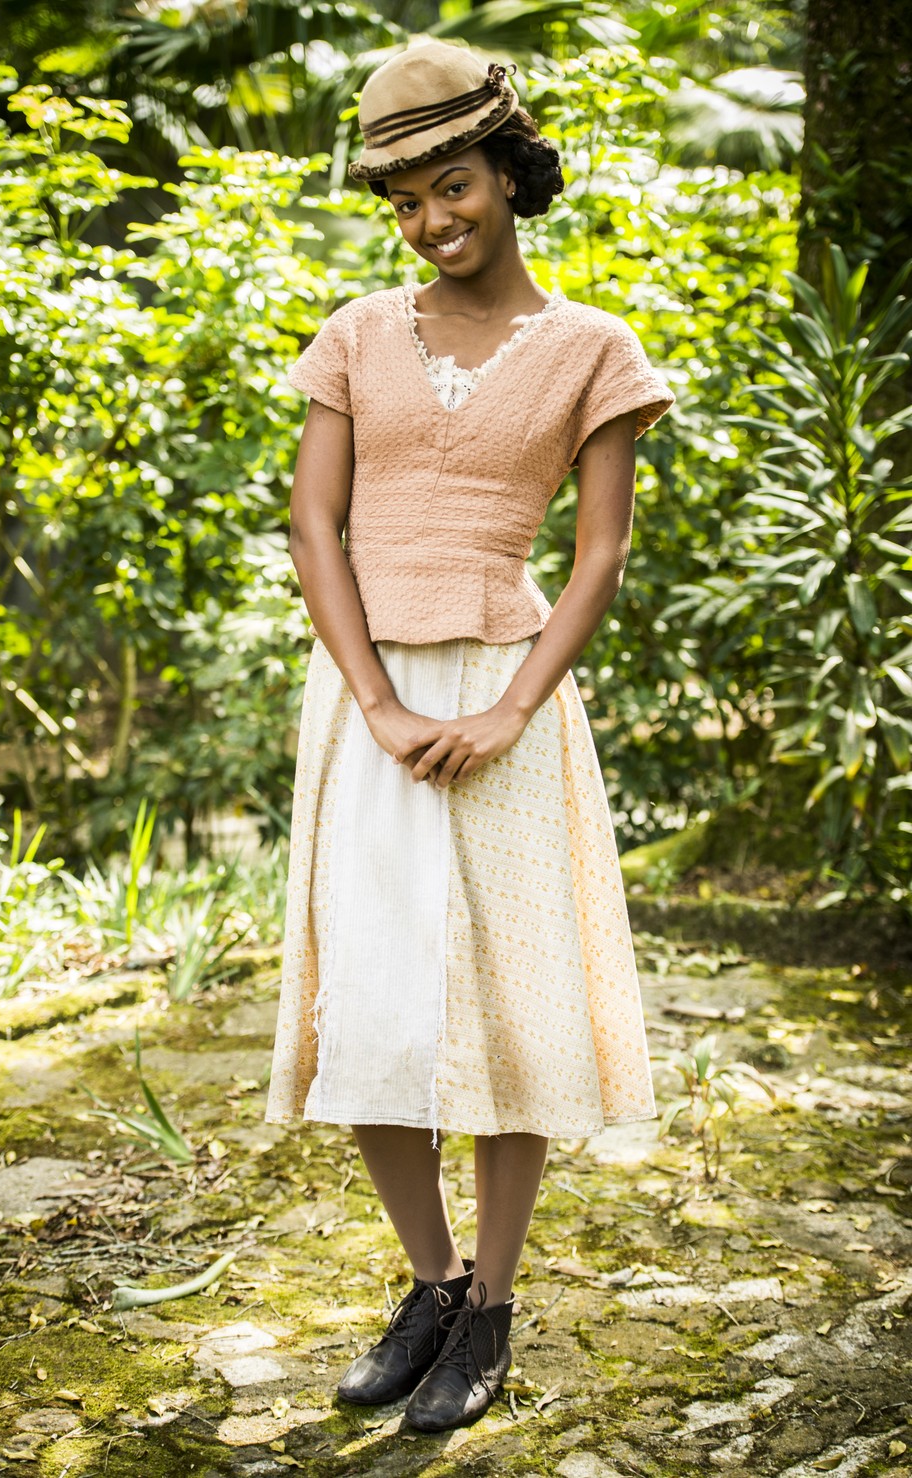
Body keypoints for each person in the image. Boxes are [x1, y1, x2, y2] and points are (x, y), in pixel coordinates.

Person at [264, 36, 675, 1433]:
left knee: (509, 1005)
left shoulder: (591, 352)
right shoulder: (356, 336)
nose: (434, 222)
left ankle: (493, 1303)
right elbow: (314, 523)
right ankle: (430, 1280)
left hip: (510, 695)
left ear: (509, 171)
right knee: (375, 997)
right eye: (406, 201)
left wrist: (508, 705)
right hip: (366, 702)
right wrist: (375, 695)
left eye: (454, 186)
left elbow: (599, 556)